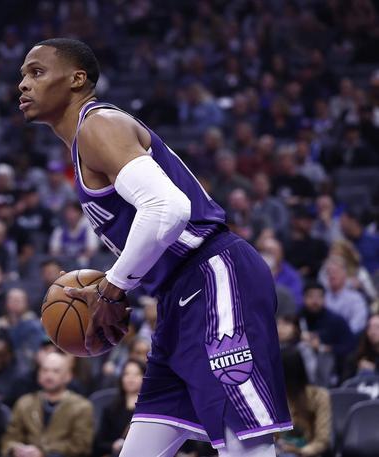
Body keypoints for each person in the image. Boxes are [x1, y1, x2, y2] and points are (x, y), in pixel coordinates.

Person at [18, 38, 291, 455]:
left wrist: (112, 287)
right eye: (23, 74)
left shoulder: (98, 125)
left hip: (214, 274)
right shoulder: (86, 142)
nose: (23, 84)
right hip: (178, 296)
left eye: (36, 72)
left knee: (244, 445)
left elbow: (168, 209)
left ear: (77, 79)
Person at [1, 352, 94, 457]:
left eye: (56, 371)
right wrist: (16, 449)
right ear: (38, 374)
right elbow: (10, 438)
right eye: (45, 370)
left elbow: (82, 445)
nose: (49, 375)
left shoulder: (82, 407)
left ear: (68, 376)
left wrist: (44, 452)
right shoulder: (24, 403)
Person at [276, 348, 331, 457]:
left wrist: (299, 451)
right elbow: (273, 438)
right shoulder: (275, 399)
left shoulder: (319, 396)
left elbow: (322, 441)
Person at [93, 359, 145, 457]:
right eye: (126, 374)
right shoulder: (110, 409)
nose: (131, 378)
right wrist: (113, 446)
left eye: (136, 374)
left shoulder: (148, 411)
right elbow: (99, 444)